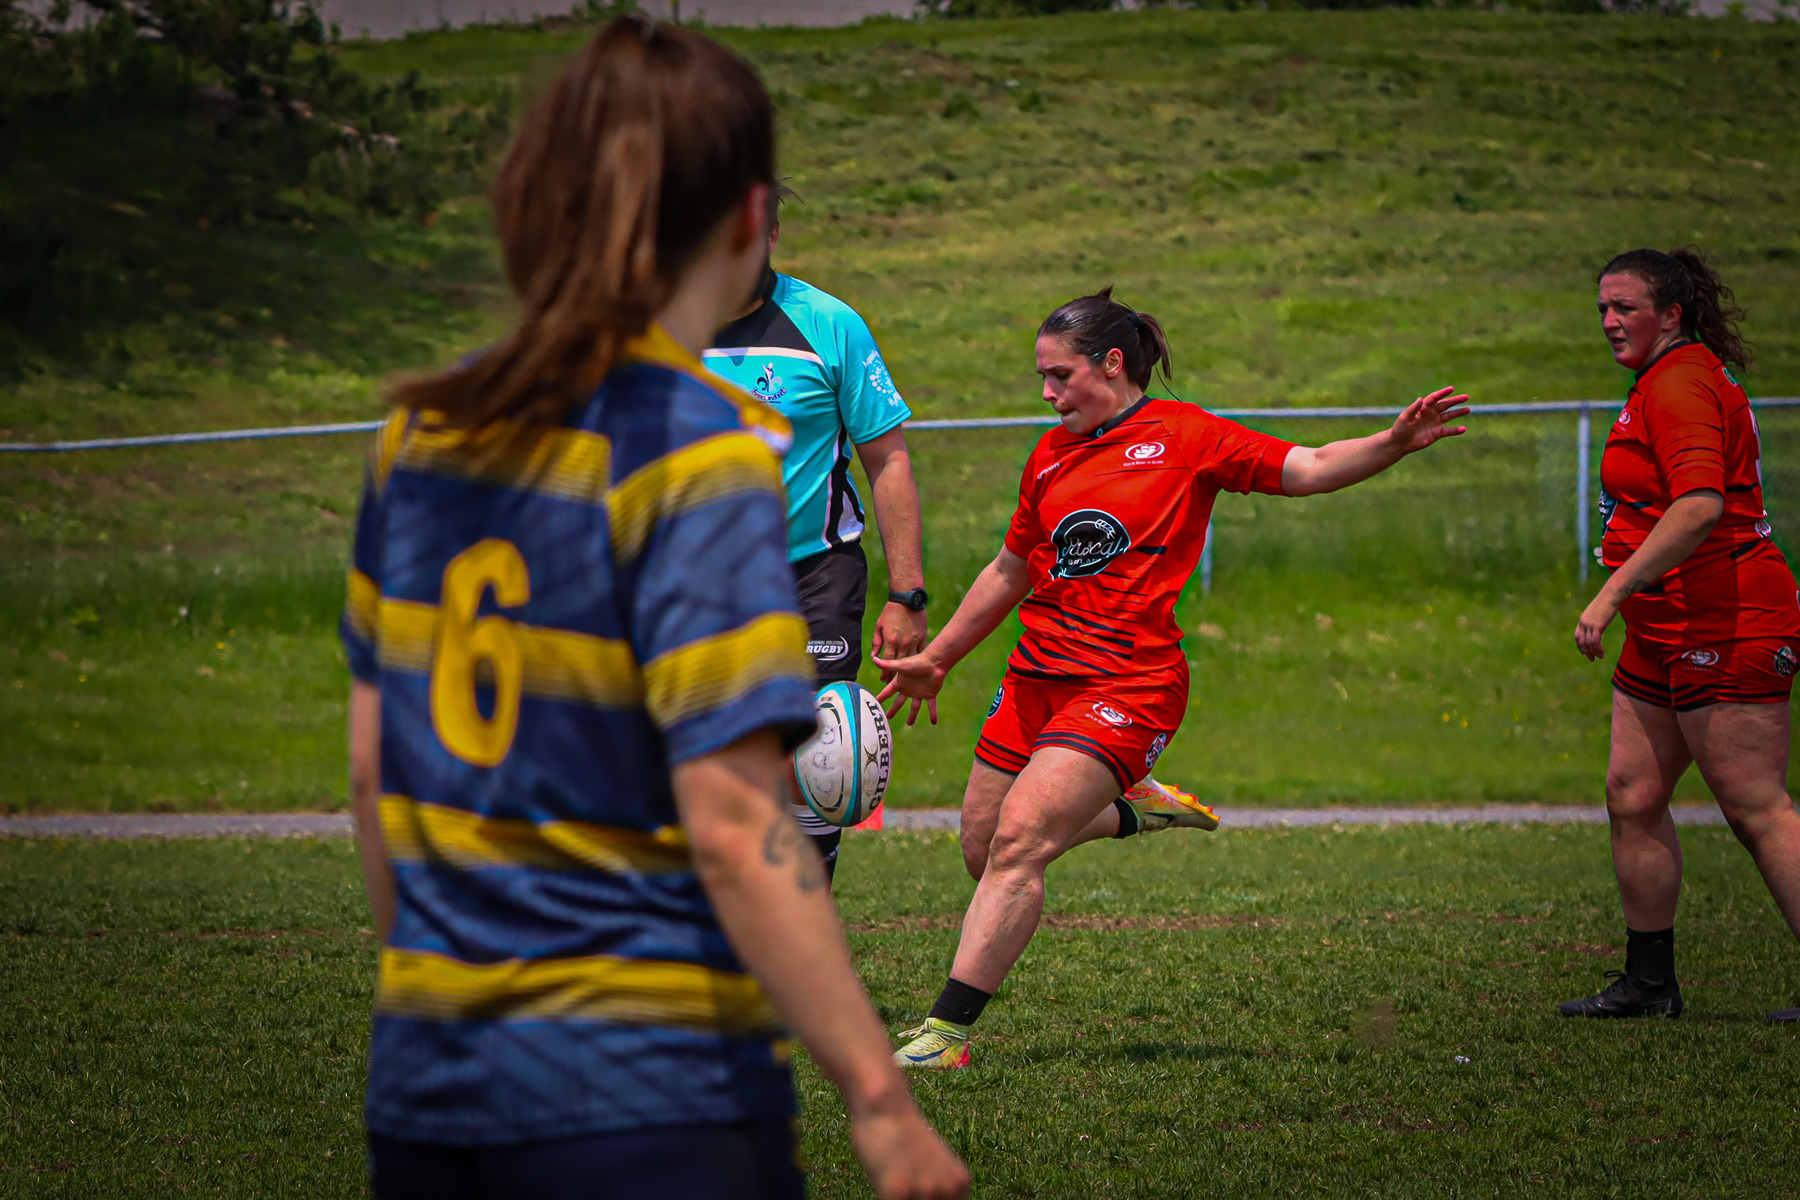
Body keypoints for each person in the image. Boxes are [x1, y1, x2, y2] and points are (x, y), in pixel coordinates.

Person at [338, 18, 967, 1199]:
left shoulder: (419, 439)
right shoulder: (698, 451)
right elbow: (734, 829)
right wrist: (879, 1102)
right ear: (748, 217)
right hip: (651, 1088)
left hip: (429, 1080)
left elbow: (377, 782)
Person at [873, 288, 1469, 1068]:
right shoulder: (1051, 454)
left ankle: (946, 1035)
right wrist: (941, 656)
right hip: (1034, 677)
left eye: (1059, 376)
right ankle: (1129, 811)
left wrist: (1392, 442)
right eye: (1042, 379)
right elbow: (1012, 566)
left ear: (1111, 364)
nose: (1047, 395)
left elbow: (1312, 466)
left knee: (1020, 843)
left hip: (1129, 684)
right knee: (983, 851)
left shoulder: (1186, 436)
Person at [1561, 247, 1800, 1024]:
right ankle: (1650, 983)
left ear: (1671, 314)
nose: (1608, 321)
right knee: (1632, 796)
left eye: (1625, 307)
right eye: (1602, 307)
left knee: (1754, 806)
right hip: (1667, 623)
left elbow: (1699, 506)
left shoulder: (1683, 382)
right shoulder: (1659, 381)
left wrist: (1609, 594)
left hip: (1727, 617)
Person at [704, 193, 928, 882]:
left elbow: (887, 459)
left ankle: (799, 941)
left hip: (813, 574)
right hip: (695, 577)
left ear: (771, 231)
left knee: (816, 754)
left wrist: (908, 595)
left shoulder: (828, 324)